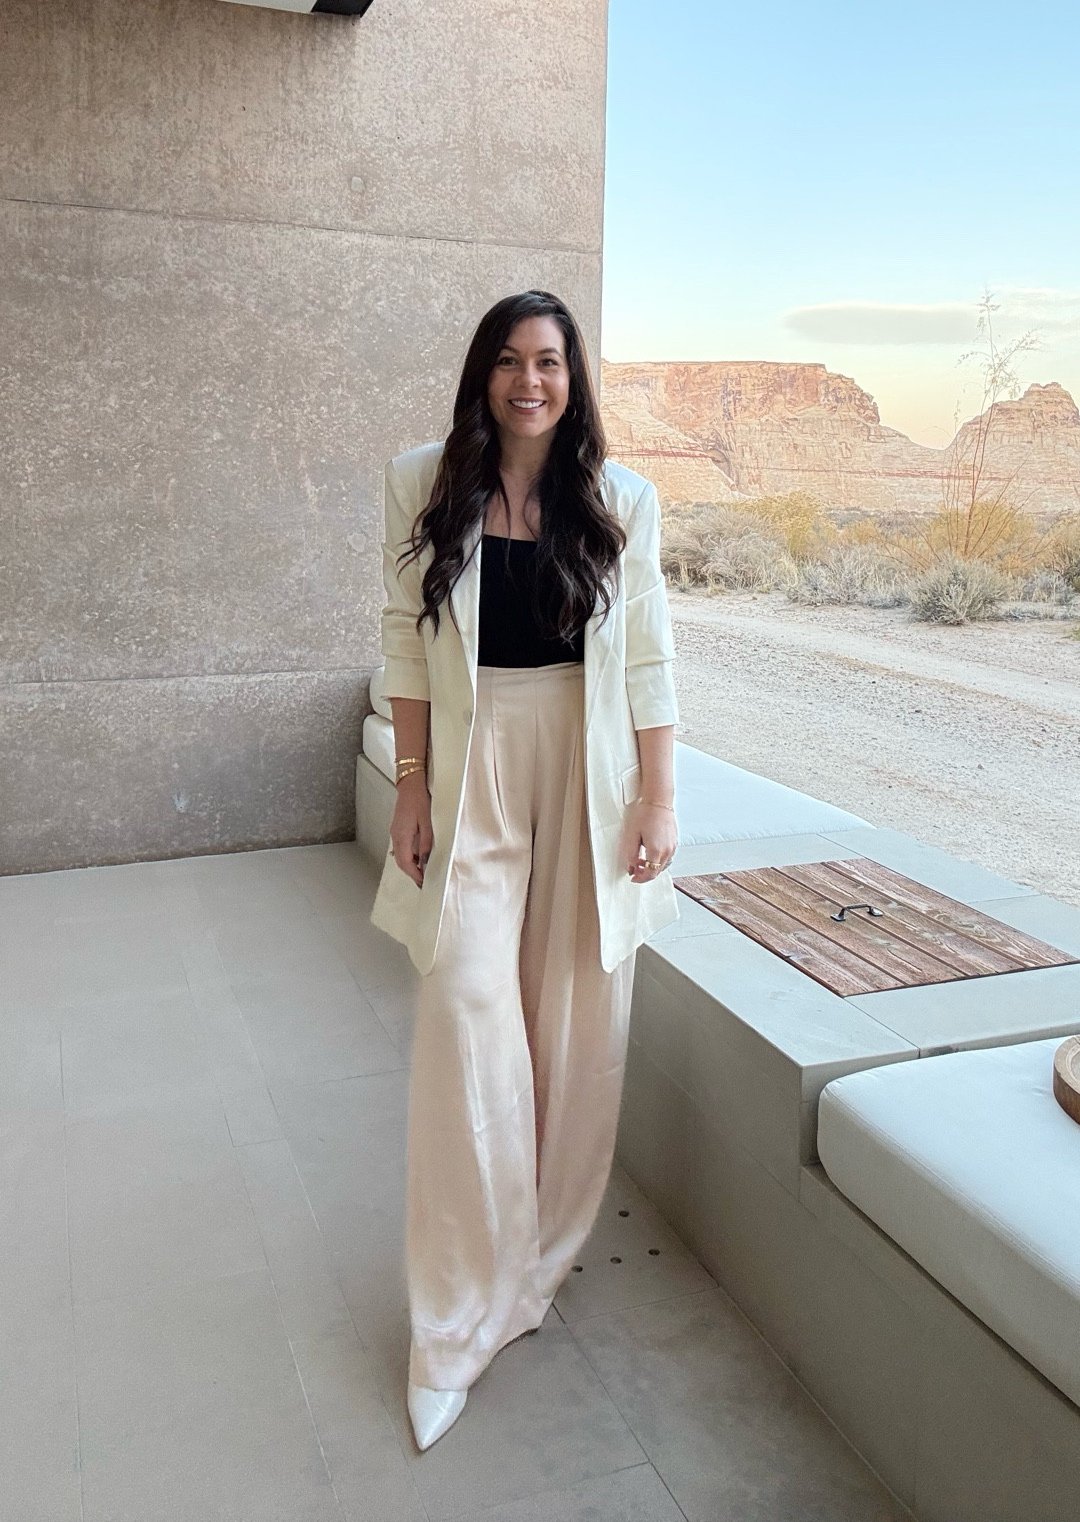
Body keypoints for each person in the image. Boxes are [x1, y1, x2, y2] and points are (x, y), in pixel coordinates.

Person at [371, 289, 680, 1451]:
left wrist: (659, 796)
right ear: (482, 376)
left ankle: (533, 1268)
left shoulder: (621, 499)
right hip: (472, 762)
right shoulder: (419, 481)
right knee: (464, 1009)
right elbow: (401, 630)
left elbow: (647, 654)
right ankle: (453, 1320)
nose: (529, 381)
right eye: (508, 361)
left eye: (548, 361)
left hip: (587, 774)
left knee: (574, 1021)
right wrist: (410, 778)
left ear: (574, 376)